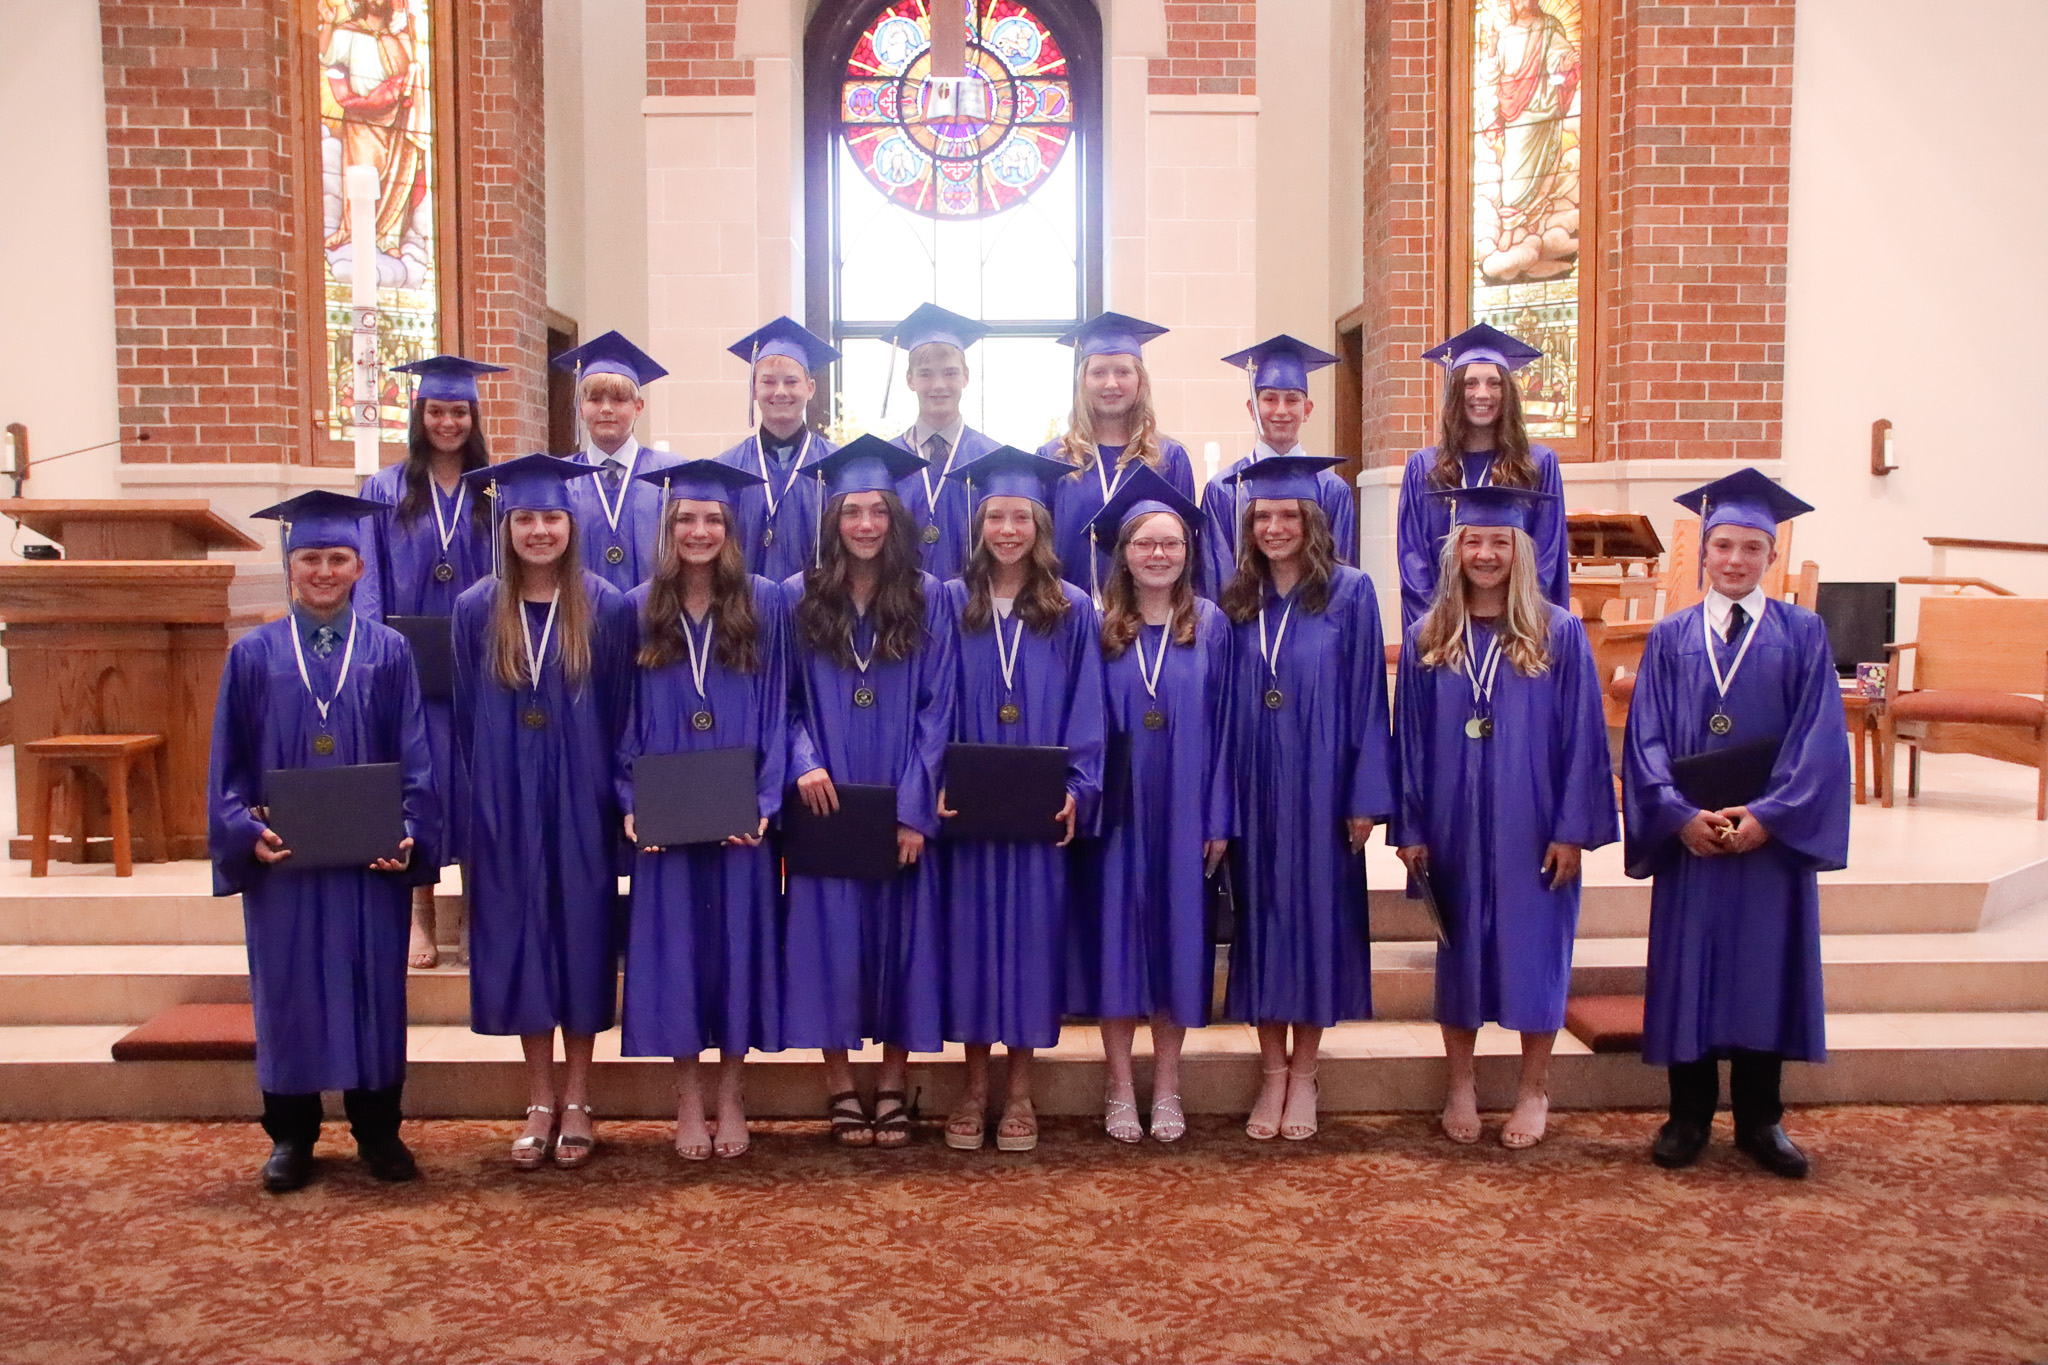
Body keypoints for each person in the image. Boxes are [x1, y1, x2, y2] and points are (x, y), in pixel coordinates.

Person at [208, 490, 438, 1193]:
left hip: (368, 861)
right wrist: (247, 832)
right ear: (289, 564)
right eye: (311, 557)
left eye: (338, 557)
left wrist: (407, 831)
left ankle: (378, 1129)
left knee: (374, 986)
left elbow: (417, 754)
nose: (324, 570)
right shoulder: (253, 654)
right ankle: (293, 1135)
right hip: (288, 861)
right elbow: (228, 764)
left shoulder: (390, 651)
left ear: (360, 566)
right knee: (289, 991)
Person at [1623, 468, 1849, 1179]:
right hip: (1695, 841)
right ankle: (1687, 1115)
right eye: (1723, 545)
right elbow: (1645, 739)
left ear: (1771, 557)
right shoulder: (1669, 638)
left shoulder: (1802, 633)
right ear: (1703, 552)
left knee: (1763, 970)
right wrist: (1677, 813)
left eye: (1752, 548)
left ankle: (1761, 1119)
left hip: (1766, 844)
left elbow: (1819, 738)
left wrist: (1769, 817)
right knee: (1691, 966)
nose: (1735, 560)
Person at [1392, 485, 1615, 1150]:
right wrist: (1410, 828)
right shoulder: (1428, 637)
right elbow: (1409, 741)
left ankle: (1533, 1087)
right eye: (1473, 540)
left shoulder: (1559, 632)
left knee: (1535, 953)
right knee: (1459, 954)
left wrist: (1572, 827)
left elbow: (1583, 736)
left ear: (1522, 550)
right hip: (1454, 823)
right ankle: (1460, 1083)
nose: (1485, 553)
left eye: (1498, 542)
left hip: (1534, 822)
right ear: (1454, 549)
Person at [452, 454, 637, 1172]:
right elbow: (464, 721)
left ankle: (581, 1095)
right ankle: (538, 1095)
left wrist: (618, 799)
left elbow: (623, 713)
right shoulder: (475, 608)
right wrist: (482, 806)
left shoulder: (607, 606)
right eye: (524, 518)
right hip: (506, 801)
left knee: (584, 941)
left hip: (582, 800)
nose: (537, 530)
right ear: (506, 526)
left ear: (572, 523)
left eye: (550, 517)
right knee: (522, 939)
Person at [783, 435, 957, 1148]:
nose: (864, 523)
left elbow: (938, 707)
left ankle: (890, 1082)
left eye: (876, 510)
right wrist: (801, 760)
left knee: (899, 937)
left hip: (896, 790)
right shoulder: (798, 597)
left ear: (895, 516)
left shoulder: (927, 596)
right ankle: (838, 1085)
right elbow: (781, 697)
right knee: (830, 938)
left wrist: (917, 807)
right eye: (851, 510)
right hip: (826, 795)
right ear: (833, 519)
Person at [1218, 454, 1392, 1142]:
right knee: (1260, 922)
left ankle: (1306, 1072)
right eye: (1264, 515)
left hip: (1323, 787)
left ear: (1312, 520)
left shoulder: (1349, 592)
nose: (1276, 526)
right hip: (1255, 782)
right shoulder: (1235, 600)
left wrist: (1365, 796)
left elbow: (1367, 701)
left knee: (1317, 922)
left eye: (1289, 514)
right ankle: (1270, 1072)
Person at [937, 446, 1107, 1153]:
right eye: (995, 517)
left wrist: (1079, 787)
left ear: (1040, 525)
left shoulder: (1073, 609)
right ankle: (973, 1089)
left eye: (1020, 517)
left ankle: (1022, 1092)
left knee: (1032, 945)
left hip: (1037, 809)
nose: (1007, 530)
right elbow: (934, 699)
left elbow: (1087, 706)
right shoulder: (949, 602)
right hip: (972, 809)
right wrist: (935, 779)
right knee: (974, 944)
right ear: (978, 526)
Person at [618, 458, 788, 1161]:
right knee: (676, 956)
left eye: (713, 518)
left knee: (737, 951)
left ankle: (731, 1093)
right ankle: (687, 1096)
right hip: (668, 814)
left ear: (731, 527)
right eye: (686, 518)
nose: (699, 530)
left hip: (739, 813)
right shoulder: (634, 606)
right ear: (667, 527)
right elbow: (619, 714)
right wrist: (631, 802)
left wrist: (768, 797)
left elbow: (781, 704)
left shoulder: (766, 601)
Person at [1070, 465, 1232, 1144]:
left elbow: (1228, 726)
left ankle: (1166, 1083)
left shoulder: (1213, 625)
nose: (1158, 553)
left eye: (1170, 542)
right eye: (1144, 543)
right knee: (1116, 943)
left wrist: (1219, 815)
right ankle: (1116, 1084)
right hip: (1118, 809)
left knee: (1177, 942)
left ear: (1188, 550)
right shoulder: (1100, 626)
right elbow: (1078, 717)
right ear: (1123, 553)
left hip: (1187, 810)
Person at [358, 353, 502, 970]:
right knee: (419, 785)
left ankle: (473, 913)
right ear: (420, 415)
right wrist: (377, 656)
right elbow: (369, 580)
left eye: (460, 410)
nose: (449, 422)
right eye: (437, 410)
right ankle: (420, 915)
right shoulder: (386, 489)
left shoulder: (496, 488)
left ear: (474, 416)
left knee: (475, 787)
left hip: (480, 663)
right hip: (410, 663)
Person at [1395, 323, 1569, 630]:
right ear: (1455, 392)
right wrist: (1435, 631)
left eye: (1494, 383)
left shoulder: (1538, 465)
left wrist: (1520, 626)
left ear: (1508, 393)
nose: (1482, 394)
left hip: (1517, 629)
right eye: (1470, 383)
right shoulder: (1424, 468)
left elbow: (1547, 559)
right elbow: (1414, 562)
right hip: (1445, 631)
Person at [1041, 311, 1198, 600]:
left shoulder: (1169, 459)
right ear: (1083, 382)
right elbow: (1040, 549)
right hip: (1070, 616)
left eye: (1123, 372)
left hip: (1146, 621)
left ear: (1140, 380)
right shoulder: (1054, 459)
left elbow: (1187, 550)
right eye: (1098, 372)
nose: (1111, 384)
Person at [1198, 335, 1358, 601]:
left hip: (1314, 625)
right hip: (1244, 628)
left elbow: (1340, 576)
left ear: (1307, 410)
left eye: (1292, 400)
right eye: (1270, 399)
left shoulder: (1333, 490)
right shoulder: (1223, 489)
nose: (1281, 410)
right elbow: (1215, 577)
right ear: (1252, 408)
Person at [550, 330, 683, 591]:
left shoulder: (671, 475)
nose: (606, 409)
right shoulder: (562, 478)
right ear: (580, 407)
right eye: (595, 399)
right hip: (582, 620)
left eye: (619, 399)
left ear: (639, 407)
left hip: (655, 620)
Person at [717, 316, 843, 582]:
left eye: (791, 381)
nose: (781, 391)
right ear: (753, 389)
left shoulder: (836, 466)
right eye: (768, 381)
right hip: (744, 613)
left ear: (810, 389)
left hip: (818, 613)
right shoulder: (727, 468)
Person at [884, 303, 1002, 579]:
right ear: (910, 380)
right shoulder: (887, 460)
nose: (938, 385)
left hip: (975, 608)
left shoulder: (992, 458)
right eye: (926, 373)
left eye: (949, 373)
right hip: (899, 609)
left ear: (966, 377)